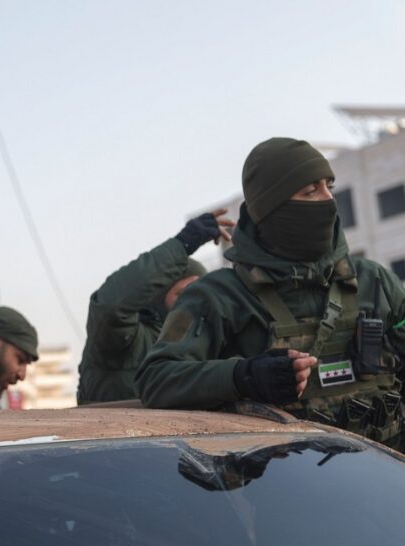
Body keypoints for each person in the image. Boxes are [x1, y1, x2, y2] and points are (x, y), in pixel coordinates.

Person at [137, 137, 405, 449]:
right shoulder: (219, 296)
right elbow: (156, 380)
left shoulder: (373, 280)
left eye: (329, 186)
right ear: (272, 209)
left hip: (386, 472)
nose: (328, 199)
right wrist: (243, 376)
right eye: (310, 191)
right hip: (282, 477)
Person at [76, 209, 233, 404]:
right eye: (184, 293)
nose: (193, 302)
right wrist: (183, 244)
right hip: (109, 424)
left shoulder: (205, 345)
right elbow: (110, 306)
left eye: (200, 294)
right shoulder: (128, 340)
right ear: (159, 295)